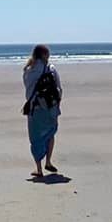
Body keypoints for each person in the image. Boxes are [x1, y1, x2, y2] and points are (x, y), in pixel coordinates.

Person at [21, 44, 63, 179]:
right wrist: (57, 104)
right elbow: (59, 88)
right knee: (50, 133)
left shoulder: (28, 69)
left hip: (35, 107)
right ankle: (49, 161)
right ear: (45, 55)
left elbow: (28, 89)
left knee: (35, 138)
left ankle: (38, 168)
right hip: (50, 107)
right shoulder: (50, 68)